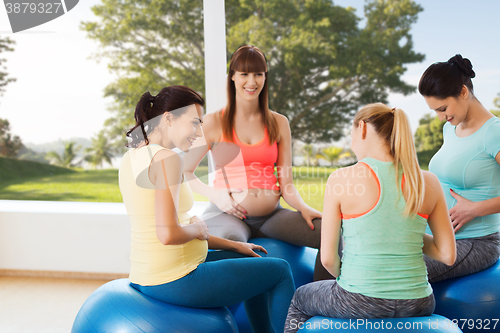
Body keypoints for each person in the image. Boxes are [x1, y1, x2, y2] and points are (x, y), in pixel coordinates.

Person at [118, 85, 295, 333]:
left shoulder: (132, 156)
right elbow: (168, 234)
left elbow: (172, 225)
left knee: (253, 257)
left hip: (148, 273)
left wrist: (235, 245)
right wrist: (199, 230)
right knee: (280, 271)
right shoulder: (166, 160)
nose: (199, 132)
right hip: (175, 278)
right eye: (194, 123)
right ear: (168, 117)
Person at [284, 103, 456, 332]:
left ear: (362, 128)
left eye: (351, 133)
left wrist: (350, 281)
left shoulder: (341, 179)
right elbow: (447, 254)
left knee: (299, 299)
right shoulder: (428, 181)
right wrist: (401, 231)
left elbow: (328, 259)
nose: (352, 141)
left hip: (359, 299)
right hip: (418, 302)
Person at [183, 45, 333, 281]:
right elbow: (186, 172)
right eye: (244, 74)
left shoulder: (279, 122)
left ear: (265, 77)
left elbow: (287, 183)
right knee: (229, 246)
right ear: (232, 77)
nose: (251, 81)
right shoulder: (213, 122)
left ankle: (319, 299)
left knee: (329, 231)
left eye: (258, 74)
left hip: (272, 215)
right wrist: (217, 195)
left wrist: (303, 207)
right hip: (227, 213)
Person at [418, 54, 500, 283]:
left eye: (442, 108)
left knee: (396, 269)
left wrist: (476, 209)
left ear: (463, 92)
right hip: (434, 237)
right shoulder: (450, 129)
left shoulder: (494, 133)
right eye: (435, 110)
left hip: (475, 242)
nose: (441, 117)